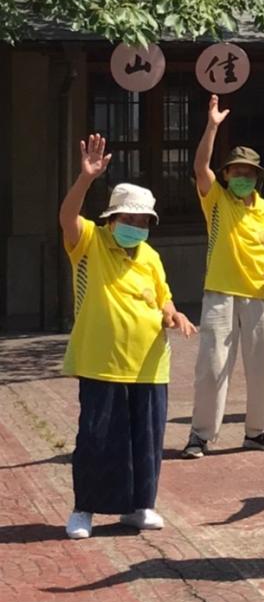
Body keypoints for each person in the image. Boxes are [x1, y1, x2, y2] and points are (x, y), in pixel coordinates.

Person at [59, 133, 196, 540]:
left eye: (143, 223)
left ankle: (139, 507)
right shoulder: (90, 243)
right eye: (129, 220)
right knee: (97, 438)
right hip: (101, 361)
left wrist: (175, 316)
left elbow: (164, 300)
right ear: (111, 219)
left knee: (146, 440)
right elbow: (67, 218)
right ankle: (85, 508)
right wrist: (85, 179)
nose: (136, 228)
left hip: (150, 364)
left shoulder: (151, 257)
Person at [183, 95, 264, 458]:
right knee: (211, 368)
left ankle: (259, 431)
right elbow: (199, 167)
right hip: (220, 294)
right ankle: (201, 435)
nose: (242, 177)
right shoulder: (216, 201)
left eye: (248, 172)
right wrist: (212, 125)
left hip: (260, 297)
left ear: (257, 177)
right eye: (236, 171)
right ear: (226, 175)